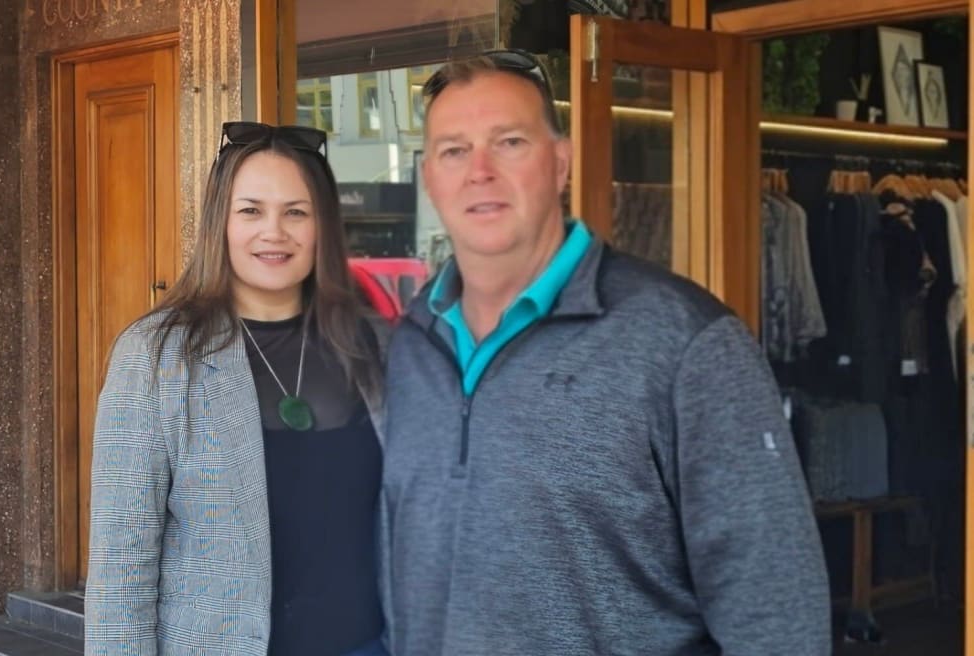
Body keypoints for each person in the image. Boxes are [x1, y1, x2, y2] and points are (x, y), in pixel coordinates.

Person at [379, 49, 831, 655]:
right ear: (429, 177)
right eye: (453, 150)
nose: (479, 170)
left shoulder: (686, 342)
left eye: (509, 142)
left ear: (560, 163)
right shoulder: (412, 347)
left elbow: (776, 614)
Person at [85, 122, 389, 656]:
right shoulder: (158, 356)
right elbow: (122, 567)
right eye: (251, 210)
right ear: (219, 222)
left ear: (324, 225)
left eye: (296, 211)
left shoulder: (374, 347)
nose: (274, 231)